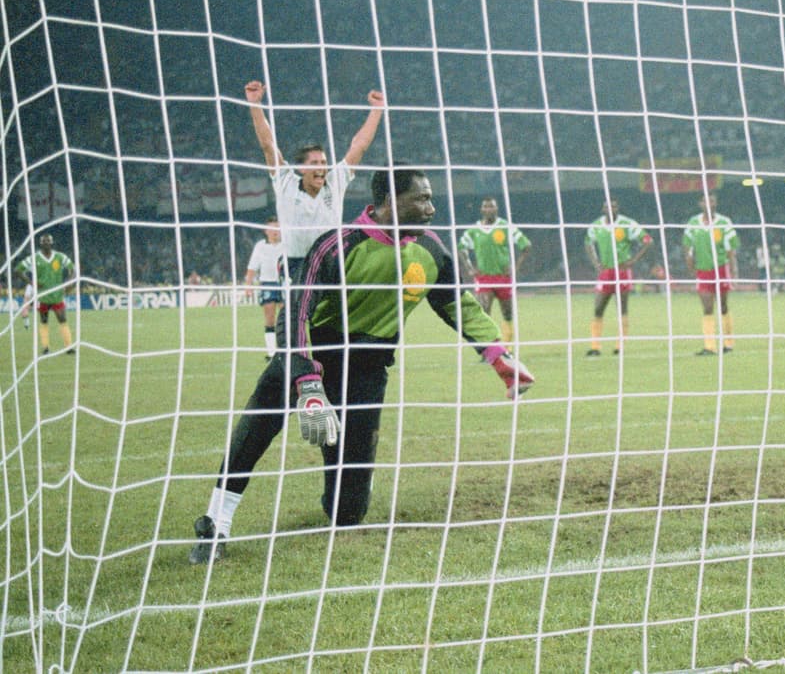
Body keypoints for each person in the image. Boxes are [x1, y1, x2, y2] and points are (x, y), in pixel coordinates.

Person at [190, 167, 534, 565]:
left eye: (430, 198)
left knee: (348, 513)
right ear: (390, 199)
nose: (431, 207)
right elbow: (295, 314)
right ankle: (216, 522)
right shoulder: (337, 245)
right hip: (312, 353)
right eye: (421, 199)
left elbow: (459, 305)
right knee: (257, 427)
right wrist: (306, 379)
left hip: (367, 370)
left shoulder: (433, 251)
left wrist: (498, 356)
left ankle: (341, 474)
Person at [245, 79, 385, 281]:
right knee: (298, 312)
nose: (322, 168)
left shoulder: (335, 181)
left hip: (330, 260)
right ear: (301, 168)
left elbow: (359, 146)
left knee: (335, 312)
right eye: (315, 163)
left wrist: (377, 110)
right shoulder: (286, 182)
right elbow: (268, 145)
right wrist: (255, 104)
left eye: (324, 162)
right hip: (296, 263)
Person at [458, 197, 531, 344]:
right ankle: (490, 350)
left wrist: (515, 268)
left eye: (491, 207)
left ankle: (508, 349)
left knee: (507, 313)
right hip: (484, 278)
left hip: (503, 278)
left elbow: (526, 246)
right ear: (481, 209)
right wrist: (470, 268)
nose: (488, 209)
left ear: (496, 209)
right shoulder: (474, 230)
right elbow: (461, 248)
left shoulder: (506, 227)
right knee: (484, 313)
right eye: (486, 206)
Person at [584, 198, 651, 356]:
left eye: (614, 206)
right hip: (606, 271)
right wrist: (595, 262)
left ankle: (619, 345)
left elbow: (647, 241)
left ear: (618, 208)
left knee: (621, 308)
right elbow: (588, 243)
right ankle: (595, 346)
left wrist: (633, 260)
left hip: (622, 270)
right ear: (603, 209)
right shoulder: (596, 225)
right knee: (598, 308)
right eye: (607, 206)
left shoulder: (627, 224)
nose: (611, 209)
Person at [683, 194, 739, 355]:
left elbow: (731, 250)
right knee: (707, 307)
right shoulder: (693, 223)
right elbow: (687, 246)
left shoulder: (724, 222)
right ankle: (709, 346)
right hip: (703, 270)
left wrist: (733, 272)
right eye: (705, 201)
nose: (709, 204)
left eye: (712, 201)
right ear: (700, 203)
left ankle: (728, 342)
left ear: (716, 203)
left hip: (721, 269)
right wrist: (691, 267)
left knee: (723, 306)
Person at [17, 234, 76, 355]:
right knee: (44, 320)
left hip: (57, 296)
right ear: (40, 243)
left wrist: (68, 283)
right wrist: (32, 283)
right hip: (42, 296)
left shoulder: (60, 257)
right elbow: (18, 270)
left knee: (63, 319)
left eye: (48, 241)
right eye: (44, 241)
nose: (46, 243)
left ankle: (69, 347)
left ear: (52, 243)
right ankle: (45, 348)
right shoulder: (34, 258)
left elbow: (74, 270)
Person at [244, 218, 286, 358]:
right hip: (267, 283)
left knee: (285, 316)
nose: (276, 231)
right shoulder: (260, 246)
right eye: (273, 228)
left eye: (278, 228)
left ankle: (285, 349)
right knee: (269, 317)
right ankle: (271, 352)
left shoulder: (286, 244)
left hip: (284, 283)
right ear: (266, 231)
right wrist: (248, 286)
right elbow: (252, 267)